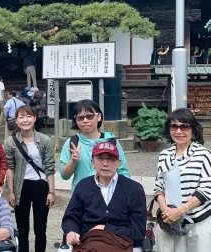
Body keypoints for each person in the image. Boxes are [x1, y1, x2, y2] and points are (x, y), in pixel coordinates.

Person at [62, 142, 146, 252]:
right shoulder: (83, 186)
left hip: (121, 243)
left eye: (111, 159)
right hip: (89, 241)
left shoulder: (134, 189)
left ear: (118, 163)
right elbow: (71, 217)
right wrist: (72, 231)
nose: (105, 164)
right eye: (100, 158)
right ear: (93, 162)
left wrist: (106, 229)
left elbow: (138, 233)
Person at [154, 108, 211, 251]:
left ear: (193, 129)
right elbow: (159, 187)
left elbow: (207, 189)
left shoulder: (203, 155)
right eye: (174, 126)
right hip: (170, 220)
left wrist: (182, 209)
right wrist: (165, 209)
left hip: (199, 221)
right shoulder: (164, 155)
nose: (178, 131)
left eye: (184, 126)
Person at [5, 105, 55, 252]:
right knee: (22, 228)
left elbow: (49, 167)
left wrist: (51, 191)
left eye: (28, 116)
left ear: (34, 118)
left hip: (41, 186)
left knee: (40, 228)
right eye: (21, 117)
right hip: (21, 187)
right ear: (16, 120)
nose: (25, 120)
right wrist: (11, 192)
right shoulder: (11, 142)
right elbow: (10, 167)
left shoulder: (45, 140)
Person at [60, 99, 130, 190]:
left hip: (108, 194)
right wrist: (73, 161)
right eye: (80, 118)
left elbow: (123, 171)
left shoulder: (111, 141)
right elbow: (64, 176)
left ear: (99, 117)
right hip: (82, 196)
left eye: (90, 116)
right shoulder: (72, 142)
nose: (85, 121)